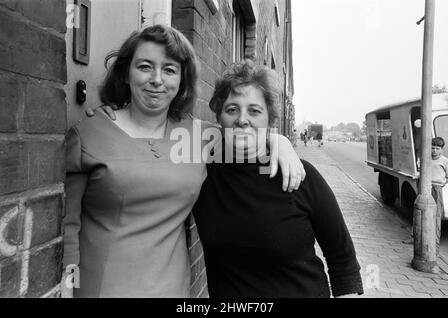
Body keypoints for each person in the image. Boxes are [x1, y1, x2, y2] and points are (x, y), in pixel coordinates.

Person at [63, 25, 304, 298]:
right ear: (126, 73)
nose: (157, 79)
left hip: (174, 289)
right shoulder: (89, 134)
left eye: (169, 70)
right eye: (144, 67)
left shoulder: (198, 136)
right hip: (103, 288)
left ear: (181, 81)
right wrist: (68, 285)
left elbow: (246, 135)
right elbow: (68, 225)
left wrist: (280, 142)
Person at [192, 60, 364, 298]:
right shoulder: (203, 175)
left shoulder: (300, 175)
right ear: (220, 117)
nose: (242, 119)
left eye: (254, 111)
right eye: (232, 109)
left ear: (270, 119)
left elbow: (342, 260)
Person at [431, 137, 448, 256]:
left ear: (441, 150)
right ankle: (415, 237)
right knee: (420, 213)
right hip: (426, 187)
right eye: (432, 148)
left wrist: (441, 184)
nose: (434, 151)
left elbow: (447, 177)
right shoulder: (425, 159)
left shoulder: (445, 161)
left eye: (437, 149)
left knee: (436, 219)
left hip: (437, 189)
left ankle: (435, 248)